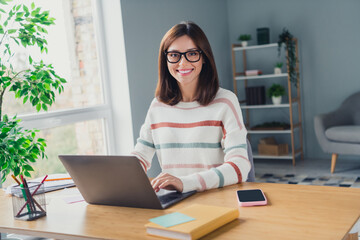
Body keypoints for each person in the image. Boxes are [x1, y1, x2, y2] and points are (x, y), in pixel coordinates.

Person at [132, 21, 250, 193]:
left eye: (192, 53)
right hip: (174, 202)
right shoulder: (158, 105)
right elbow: (140, 155)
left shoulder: (225, 102)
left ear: (204, 58)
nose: (182, 63)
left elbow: (240, 167)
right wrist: (116, 175)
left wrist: (185, 183)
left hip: (215, 200)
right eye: (174, 55)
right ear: (165, 60)